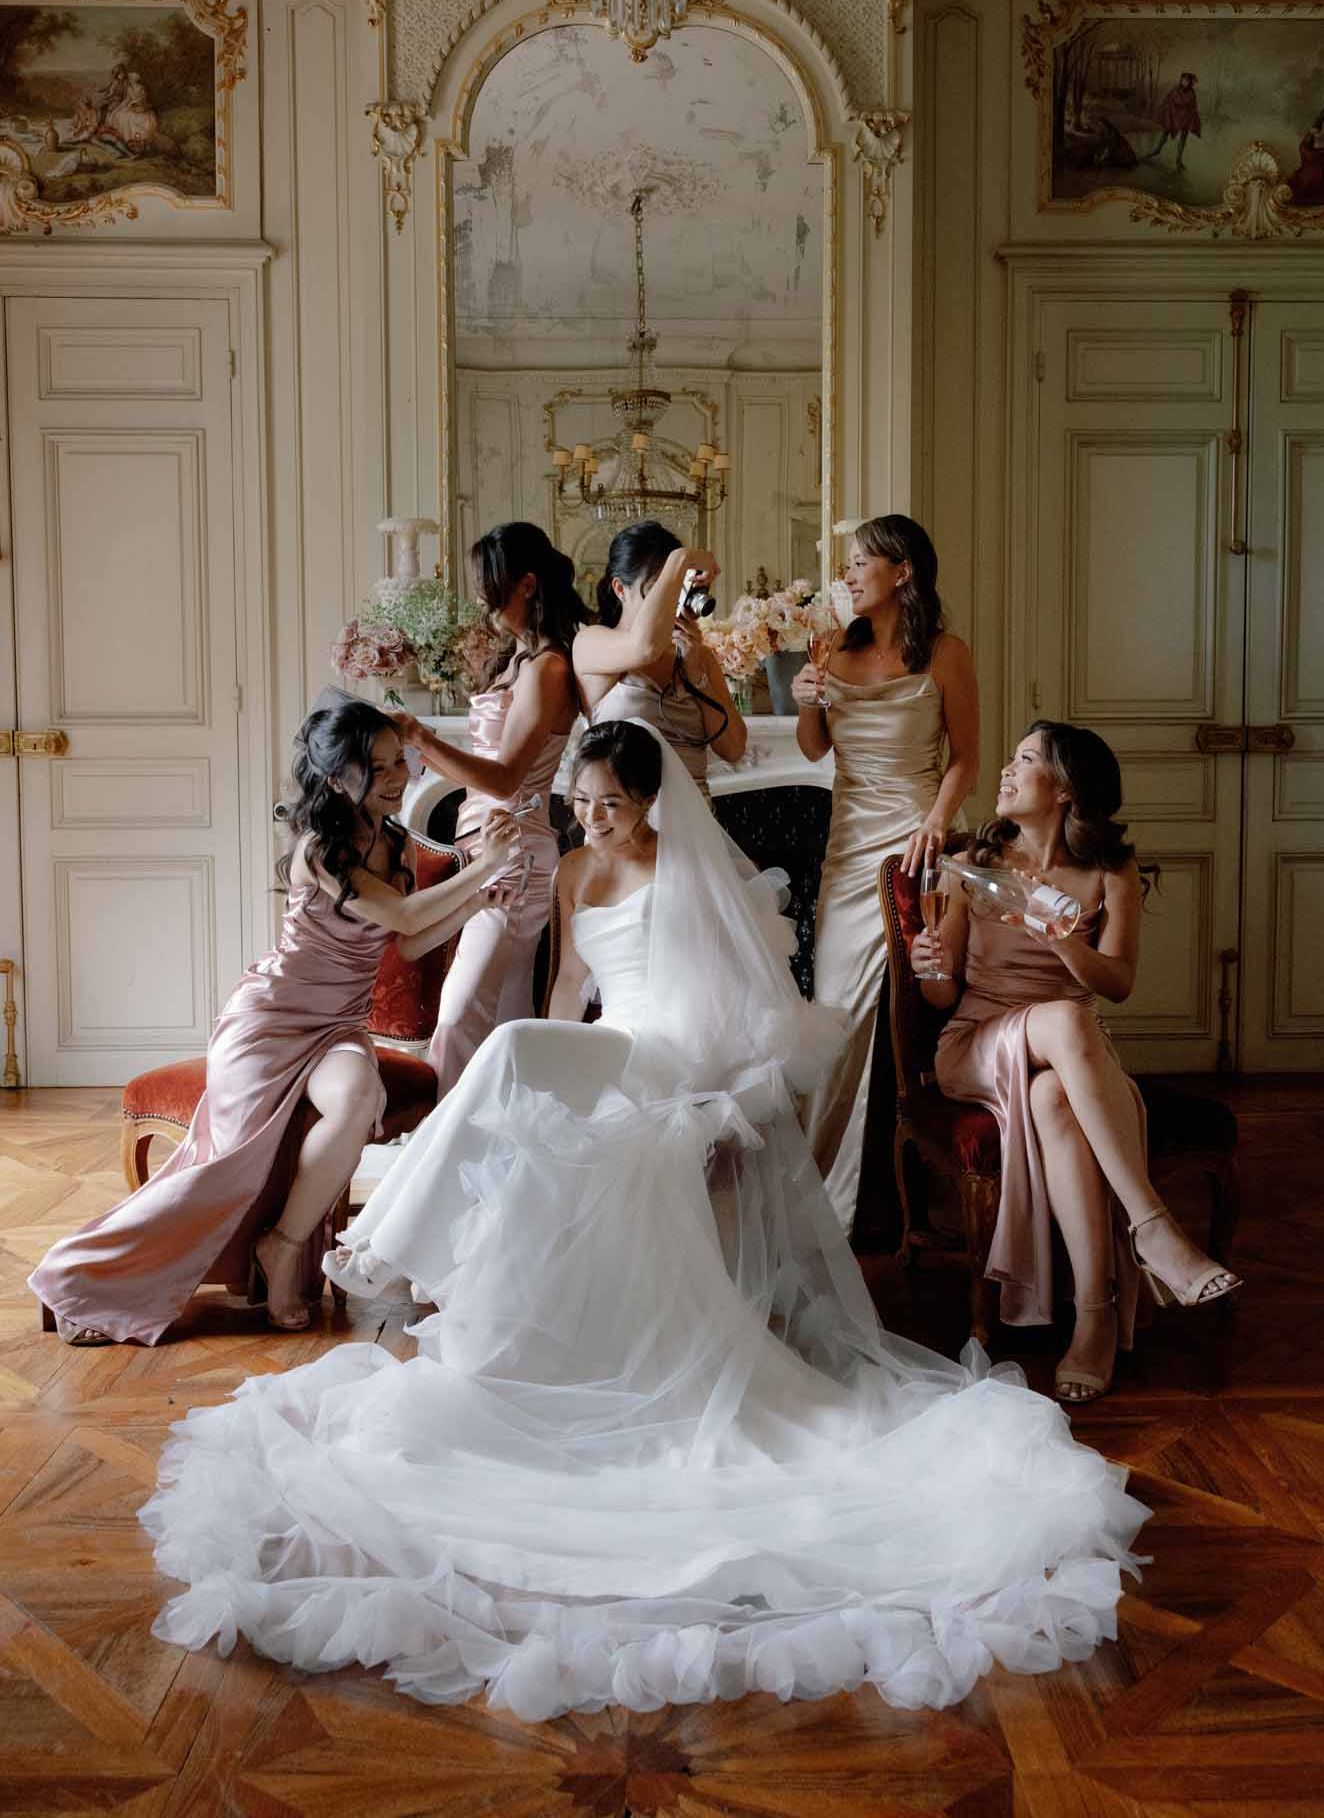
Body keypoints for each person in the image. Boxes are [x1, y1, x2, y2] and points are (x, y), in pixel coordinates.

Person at [140, 719, 1149, 1722]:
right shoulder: (577, 871)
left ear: (650, 800)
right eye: (578, 804)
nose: (590, 818)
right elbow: (575, 989)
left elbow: (749, 1001)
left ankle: (392, 1232)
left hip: (679, 1059)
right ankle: (413, 1246)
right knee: (522, 1057)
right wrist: (577, 1056)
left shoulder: (691, 868)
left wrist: (725, 1103)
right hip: (615, 1043)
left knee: (510, 1060)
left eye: (608, 804)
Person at [28, 702, 516, 1345]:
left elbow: (414, 941)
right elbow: (400, 915)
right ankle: (86, 1276)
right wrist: (479, 866)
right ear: (337, 776)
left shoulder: (395, 842)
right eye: (379, 766)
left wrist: (480, 899)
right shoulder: (319, 850)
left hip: (338, 1025)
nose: (399, 775)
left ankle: (282, 1248)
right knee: (224, 1161)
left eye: (400, 760)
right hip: (269, 1019)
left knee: (356, 1100)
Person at [920, 721, 1241, 1406]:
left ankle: (1093, 1320)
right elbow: (941, 994)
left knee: (1053, 1101)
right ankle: (1153, 1227)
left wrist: (1062, 943)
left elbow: (1117, 982)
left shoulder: (1110, 871)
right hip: (977, 1041)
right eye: (1009, 757)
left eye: (1025, 760)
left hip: (1071, 1062)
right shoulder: (976, 860)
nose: (1005, 770)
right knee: (1068, 1018)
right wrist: (929, 965)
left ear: (1064, 790)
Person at [792, 515, 980, 1231]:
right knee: (838, 1009)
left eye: (859, 561)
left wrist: (936, 821)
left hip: (918, 841)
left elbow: (966, 755)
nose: (847, 574)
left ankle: (904, 1190)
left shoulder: (945, 654)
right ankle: (828, 1192)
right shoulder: (834, 646)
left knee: (912, 1010)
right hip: (849, 846)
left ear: (902, 571)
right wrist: (807, 698)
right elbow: (813, 750)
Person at [389, 522, 586, 1095]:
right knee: (505, 1012)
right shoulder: (517, 662)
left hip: (515, 855)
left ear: (525, 584)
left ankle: (443, 1149)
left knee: (457, 1011)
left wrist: (422, 738)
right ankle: (501, 1153)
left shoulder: (549, 668)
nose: (481, 598)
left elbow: (505, 778)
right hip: (486, 850)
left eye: (489, 584)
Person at [573, 519, 747, 792]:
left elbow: (734, 749)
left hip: (694, 820)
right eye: (659, 587)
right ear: (620, 589)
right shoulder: (590, 643)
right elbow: (644, 647)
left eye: (676, 588)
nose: (669, 600)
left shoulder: (698, 654)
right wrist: (681, 558)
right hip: (621, 825)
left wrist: (696, 673)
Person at [1144, 73, 1201, 168]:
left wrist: (1194, 120)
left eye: (1186, 81)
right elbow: (1167, 101)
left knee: (1183, 138)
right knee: (1165, 133)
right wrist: (1166, 113)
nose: (1184, 82)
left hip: (1185, 118)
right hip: (1173, 116)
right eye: (1183, 80)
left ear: (1190, 82)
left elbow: (1193, 108)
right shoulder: (1175, 90)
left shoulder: (1192, 93)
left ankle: (1178, 159)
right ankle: (1156, 151)